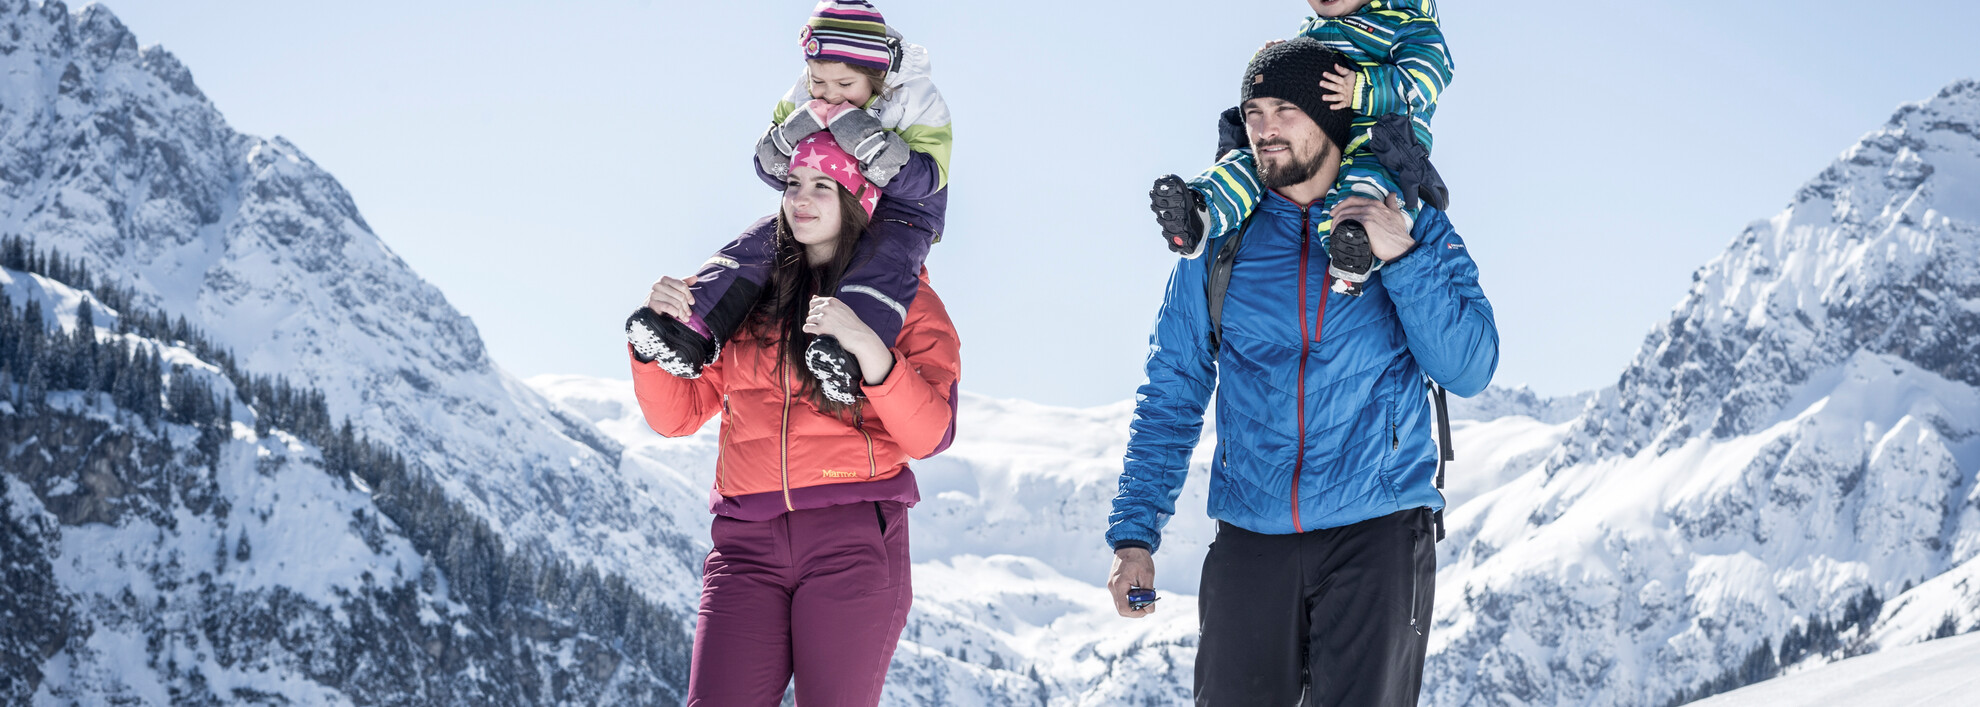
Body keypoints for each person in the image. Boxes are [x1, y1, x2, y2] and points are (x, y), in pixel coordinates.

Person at [1106, 38, 1496, 706]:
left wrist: (1399, 256)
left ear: (1334, 117)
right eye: (1253, 109)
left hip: (1377, 533)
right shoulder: (1222, 239)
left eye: (1286, 107)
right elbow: (1172, 390)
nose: (1264, 126)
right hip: (1252, 541)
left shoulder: (1410, 221)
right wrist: (1135, 534)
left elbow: (1468, 365)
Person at [628, 133, 961, 706]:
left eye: (823, 187)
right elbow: (677, 417)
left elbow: (931, 433)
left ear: (859, 198)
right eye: (792, 185)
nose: (801, 200)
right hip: (744, 547)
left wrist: (871, 351)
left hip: (851, 541)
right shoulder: (747, 297)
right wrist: (653, 345)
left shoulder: (905, 302)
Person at [631, 0, 952, 407]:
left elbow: (929, 178)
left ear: (877, 75)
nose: (831, 95)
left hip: (902, 212)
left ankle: (847, 355)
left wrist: (873, 145)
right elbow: (771, 168)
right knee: (760, 244)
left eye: (845, 85)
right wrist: (790, 133)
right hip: (826, 191)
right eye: (820, 82)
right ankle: (692, 328)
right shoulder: (806, 91)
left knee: (881, 263)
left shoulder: (915, 98)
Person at [1150, 0, 1451, 296]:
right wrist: (1277, 58)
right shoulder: (1314, 29)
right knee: (1256, 161)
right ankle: (1201, 210)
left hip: (1381, 141)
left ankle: (1353, 253)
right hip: (1321, 137)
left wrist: (1361, 87)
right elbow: (1292, 82)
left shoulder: (1406, 25)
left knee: (1368, 189)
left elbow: (1424, 79)